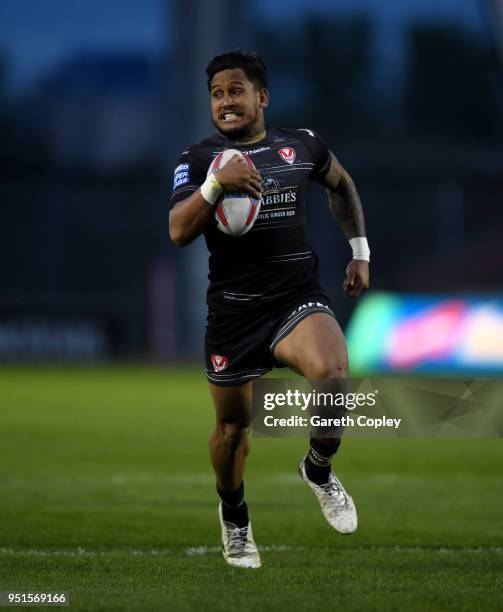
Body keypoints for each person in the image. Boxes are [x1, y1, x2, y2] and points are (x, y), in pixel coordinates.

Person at [169, 50, 370, 569]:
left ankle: (319, 470)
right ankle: (235, 519)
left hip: (293, 298)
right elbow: (177, 231)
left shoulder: (300, 146)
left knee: (333, 372)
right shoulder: (198, 159)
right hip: (234, 313)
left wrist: (360, 251)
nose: (226, 102)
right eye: (216, 94)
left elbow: (341, 183)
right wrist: (217, 185)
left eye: (235, 91)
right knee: (233, 431)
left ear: (261, 96)